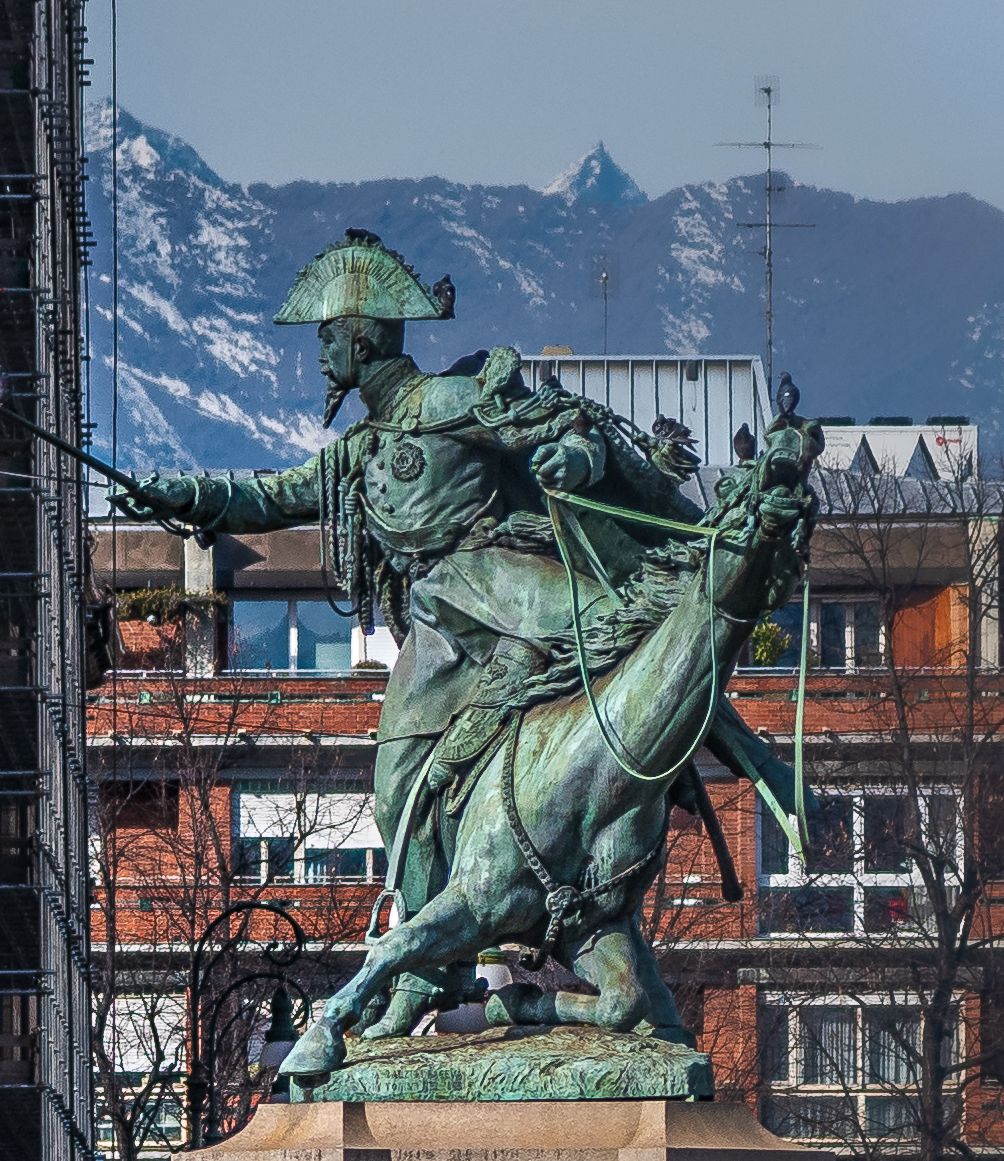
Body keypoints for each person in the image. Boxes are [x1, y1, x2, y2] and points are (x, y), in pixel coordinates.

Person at [114, 231, 803, 1030]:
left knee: (632, 657)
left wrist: (571, 465)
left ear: (362, 336)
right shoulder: (357, 453)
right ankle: (432, 969)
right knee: (397, 786)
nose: (321, 354)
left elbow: (559, 428)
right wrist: (173, 493)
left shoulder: (445, 402)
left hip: (509, 585)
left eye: (327, 337)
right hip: (439, 628)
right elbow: (268, 499)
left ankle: (758, 760)